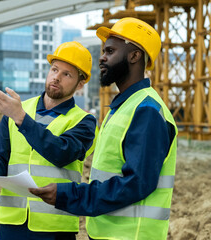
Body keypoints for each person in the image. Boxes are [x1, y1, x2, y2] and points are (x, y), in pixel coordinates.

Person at [30, 17, 178, 240]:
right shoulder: (123, 108)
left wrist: (70, 195)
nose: (102, 58)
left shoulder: (146, 110)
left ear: (134, 56)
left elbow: (136, 183)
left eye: (110, 51)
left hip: (130, 236)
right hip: (109, 232)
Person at [0, 41, 98, 240]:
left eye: (67, 74)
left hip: (54, 225)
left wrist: (20, 118)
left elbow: (62, 153)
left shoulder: (84, 121)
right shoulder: (19, 111)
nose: (57, 77)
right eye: (55, 69)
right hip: (13, 222)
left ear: (80, 84)